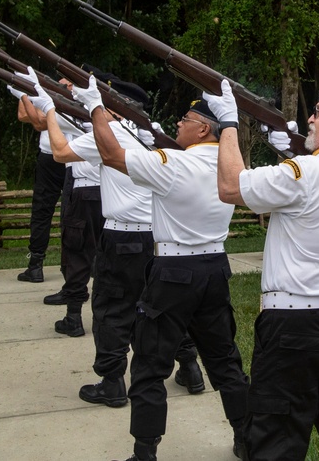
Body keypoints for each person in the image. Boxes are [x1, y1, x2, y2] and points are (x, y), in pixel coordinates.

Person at [205, 80, 319, 461]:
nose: (309, 118)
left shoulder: (305, 173)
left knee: (275, 439)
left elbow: (230, 186)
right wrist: (287, 145)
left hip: (292, 327)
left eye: (318, 114)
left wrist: (227, 124)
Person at [73, 86, 250, 461]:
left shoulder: (175, 163)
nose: (177, 124)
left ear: (203, 129)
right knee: (225, 361)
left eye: (185, 120)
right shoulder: (231, 166)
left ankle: (144, 453)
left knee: (150, 367)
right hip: (215, 268)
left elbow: (111, 154)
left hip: (173, 271)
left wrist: (96, 108)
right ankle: (246, 438)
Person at [39, 75, 205, 409]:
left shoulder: (110, 134)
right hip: (159, 238)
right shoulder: (153, 134)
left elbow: (59, 152)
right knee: (162, 307)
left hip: (121, 236)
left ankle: (112, 382)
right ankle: (190, 366)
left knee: (111, 309)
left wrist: (49, 112)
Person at [24, 75, 102, 337]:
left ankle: (74, 316)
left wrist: (44, 101)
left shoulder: (94, 125)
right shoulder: (115, 125)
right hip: (110, 197)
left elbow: (54, 139)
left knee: (78, 255)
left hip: (85, 193)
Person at [10, 83, 67, 283]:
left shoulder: (78, 98)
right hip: (49, 156)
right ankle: (35, 264)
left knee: (73, 213)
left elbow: (40, 122)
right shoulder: (49, 93)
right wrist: (29, 99)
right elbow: (23, 115)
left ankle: (77, 264)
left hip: (72, 159)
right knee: (41, 211)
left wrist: (27, 99)